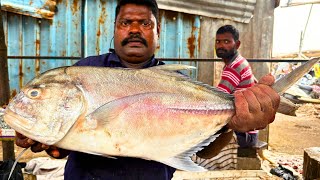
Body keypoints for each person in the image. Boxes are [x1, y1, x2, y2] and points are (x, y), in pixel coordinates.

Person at [15, 0, 280, 179]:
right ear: (114, 28)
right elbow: (67, 145)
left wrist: (231, 122)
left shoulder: (177, 83)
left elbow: (204, 152)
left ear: (157, 31)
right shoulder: (86, 70)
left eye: (145, 23)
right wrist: (47, 141)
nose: (134, 30)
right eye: (125, 22)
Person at [215, 25, 258, 148]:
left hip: (243, 135)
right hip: (248, 132)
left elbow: (217, 100)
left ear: (237, 44)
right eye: (218, 41)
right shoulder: (240, 61)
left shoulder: (234, 67)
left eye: (227, 41)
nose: (221, 45)